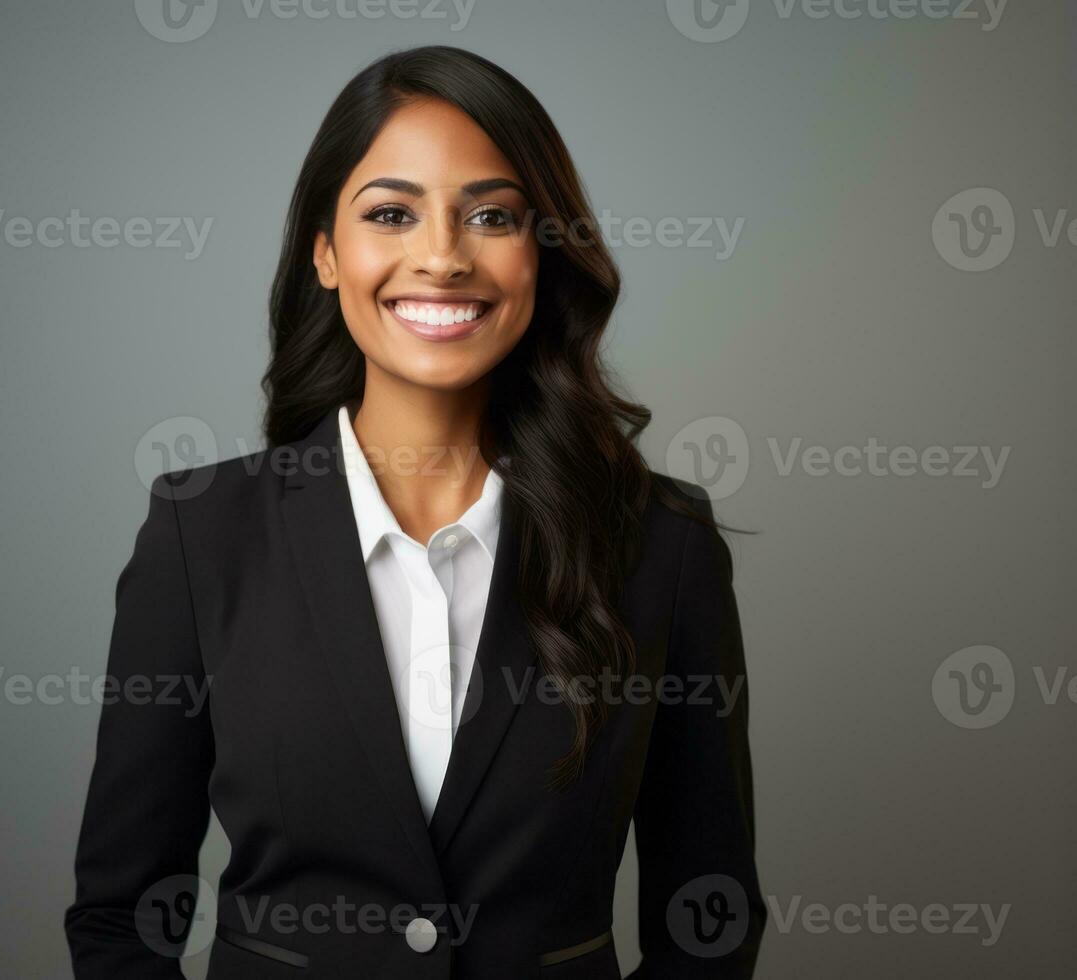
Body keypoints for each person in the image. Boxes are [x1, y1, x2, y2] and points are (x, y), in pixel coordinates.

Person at [64, 44, 766, 979]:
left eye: (491, 215)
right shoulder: (202, 533)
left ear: (542, 251)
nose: (440, 256)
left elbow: (705, 918)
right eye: (391, 213)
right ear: (325, 250)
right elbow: (122, 920)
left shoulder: (660, 546)